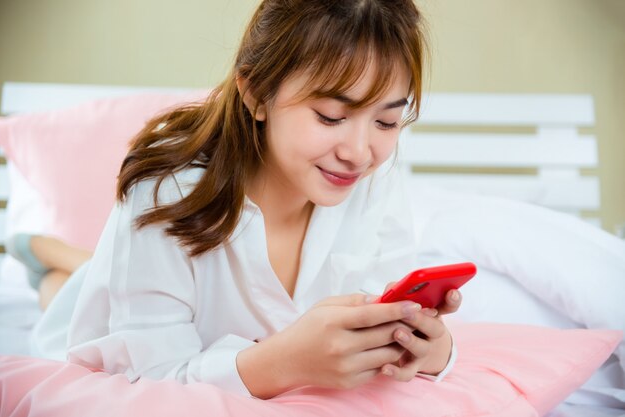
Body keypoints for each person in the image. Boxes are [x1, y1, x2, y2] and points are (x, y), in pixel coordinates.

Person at [24, 0, 464, 399]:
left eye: (386, 122)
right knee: (58, 301)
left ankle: (65, 257)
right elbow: (148, 379)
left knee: (86, 273)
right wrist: (282, 362)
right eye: (331, 117)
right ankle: (50, 262)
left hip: (145, 276)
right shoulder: (166, 193)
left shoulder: (374, 181)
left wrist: (431, 347)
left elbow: (391, 306)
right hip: (112, 314)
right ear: (256, 94)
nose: (358, 152)